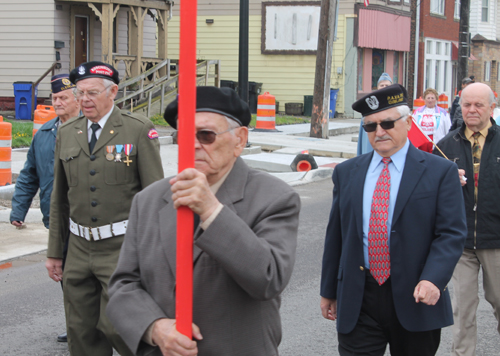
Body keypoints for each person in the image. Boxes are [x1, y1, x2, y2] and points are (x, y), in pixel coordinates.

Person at [106, 86, 301, 356]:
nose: (194, 144)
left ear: (239, 140)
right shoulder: (148, 200)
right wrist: (156, 328)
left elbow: (268, 278)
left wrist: (211, 211)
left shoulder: (274, 197)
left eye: (206, 135)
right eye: (185, 135)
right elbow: (123, 285)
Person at [320, 84, 467, 355]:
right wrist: (328, 289)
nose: (379, 132)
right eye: (370, 126)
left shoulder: (439, 171)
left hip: (416, 297)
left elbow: (451, 233)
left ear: (408, 122)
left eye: (387, 123)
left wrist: (433, 279)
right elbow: (337, 234)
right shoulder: (347, 172)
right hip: (360, 297)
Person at [45, 61, 164, 356]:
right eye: (80, 92)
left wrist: (153, 255)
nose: (84, 99)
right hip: (78, 248)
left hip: (121, 248)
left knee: (121, 328)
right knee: (81, 332)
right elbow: (59, 197)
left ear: (113, 92)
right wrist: (55, 252)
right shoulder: (68, 131)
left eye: (92, 93)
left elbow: (154, 197)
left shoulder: (138, 130)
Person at [10, 74, 80, 343]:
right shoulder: (45, 134)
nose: (58, 103)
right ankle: (77, 325)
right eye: (54, 99)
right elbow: (29, 174)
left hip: (86, 218)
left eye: (63, 97)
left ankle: (98, 323)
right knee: (66, 275)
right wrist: (19, 210)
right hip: (56, 219)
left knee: (87, 275)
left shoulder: (88, 131)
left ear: (77, 99)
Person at [434, 82, 500, 356]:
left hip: (496, 240)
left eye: (478, 105)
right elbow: (432, 196)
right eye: (466, 105)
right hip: (459, 244)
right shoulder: (445, 147)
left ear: (492, 108)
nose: (471, 110)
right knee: (462, 310)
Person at [357, 72, 392, 156]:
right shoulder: (371, 104)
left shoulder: (394, 105)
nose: (384, 88)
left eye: (387, 85)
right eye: (382, 85)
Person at [413, 88, 451, 152]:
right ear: (424, 99)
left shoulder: (442, 113)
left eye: (432, 98)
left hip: (436, 143)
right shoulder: (418, 112)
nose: (430, 100)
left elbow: (448, 129)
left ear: (436, 99)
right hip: (422, 142)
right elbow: (413, 127)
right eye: (428, 98)